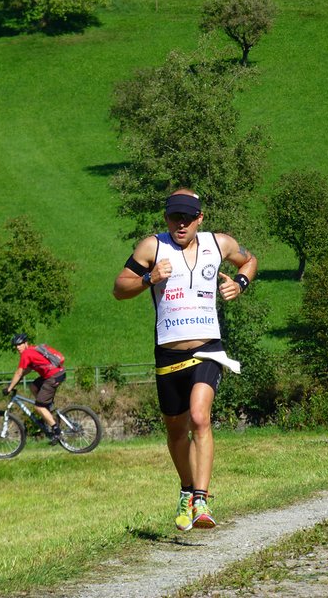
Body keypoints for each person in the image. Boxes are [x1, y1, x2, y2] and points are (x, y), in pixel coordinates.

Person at [113, 188, 257, 531]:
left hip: (207, 347)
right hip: (168, 352)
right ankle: (187, 490)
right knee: (176, 432)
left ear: (199, 218)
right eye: (174, 217)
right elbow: (119, 288)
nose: (181, 224)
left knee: (199, 417)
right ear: (166, 218)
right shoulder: (152, 247)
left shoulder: (219, 243)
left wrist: (240, 284)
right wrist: (148, 278)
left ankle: (202, 500)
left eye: (187, 218)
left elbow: (249, 260)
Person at [4, 333, 66, 443]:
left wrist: (9, 388)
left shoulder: (26, 353)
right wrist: (17, 380)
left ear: (25, 343)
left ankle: (57, 431)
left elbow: (19, 373)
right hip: (56, 374)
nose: (18, 347)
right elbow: (27, 369)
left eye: (20, 344)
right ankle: (47, 409)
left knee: (38, 407)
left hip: (53, 376)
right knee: (33, 386)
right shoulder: (32, 350)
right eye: (16, 345)